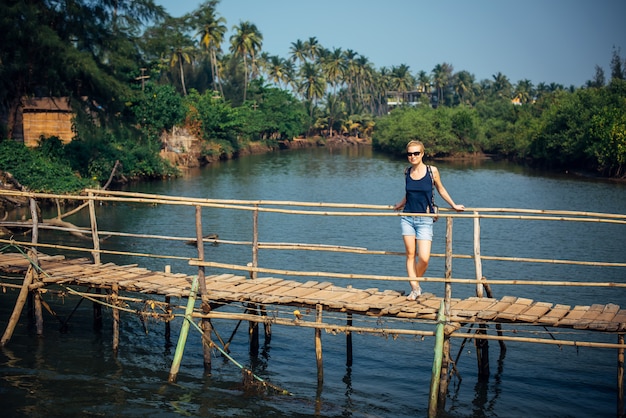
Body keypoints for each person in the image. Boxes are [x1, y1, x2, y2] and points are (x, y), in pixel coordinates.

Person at [393, 140, 465, 300]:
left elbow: (440, 189)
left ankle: (414, 282)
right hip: (407, 217)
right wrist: (399, 204)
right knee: (410, 255)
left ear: (422, 154)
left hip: (425, 219)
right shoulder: (407, 172)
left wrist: (453, 205)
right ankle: (415, 289)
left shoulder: (432, 171)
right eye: (410, 154)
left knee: (424, 259)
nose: (412, 156)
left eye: (416, 153)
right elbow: (410, 193)